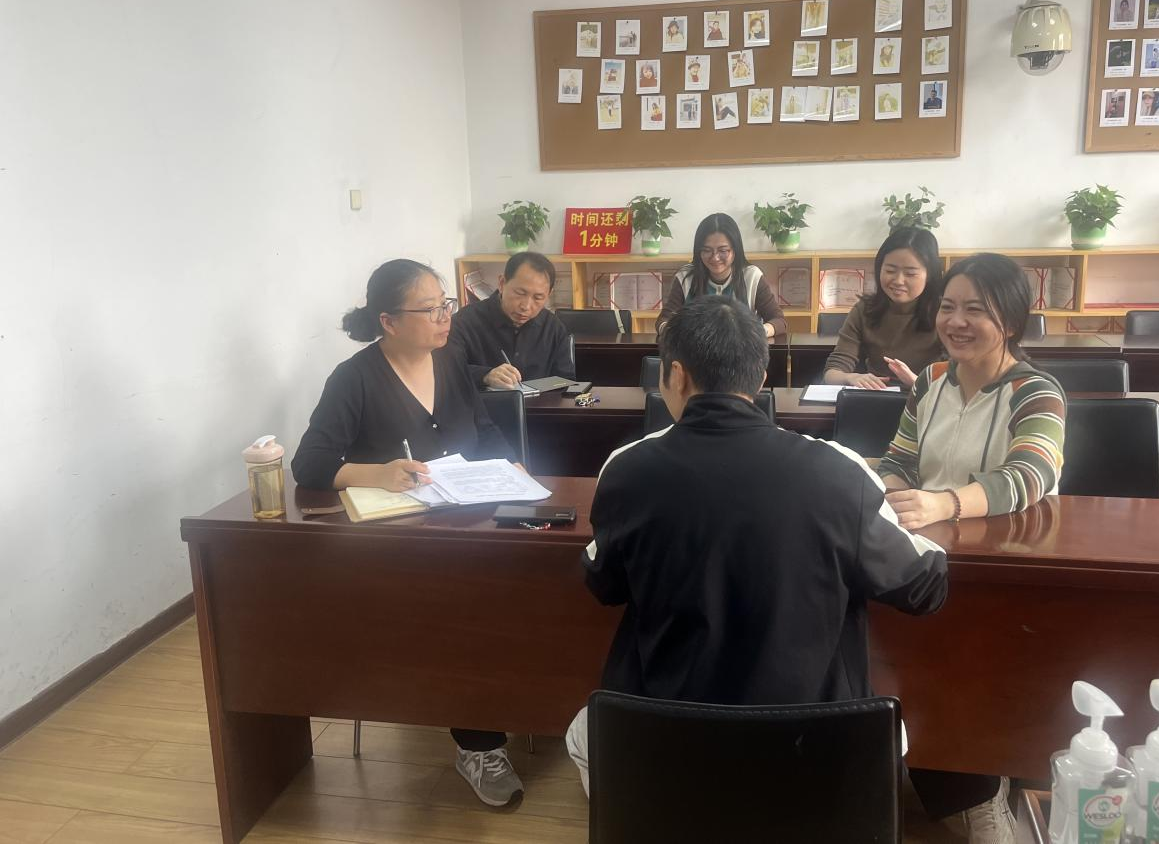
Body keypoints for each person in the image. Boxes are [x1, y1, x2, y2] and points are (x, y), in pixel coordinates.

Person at [566, 294, 948, 797]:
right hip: (811, 742)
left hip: (667, 734)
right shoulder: (839, 471)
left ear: (675, 375)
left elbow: (604, 584)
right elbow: (923, 588)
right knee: (885, 732)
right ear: (761, 378)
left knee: (581, 736)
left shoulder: (627, 468)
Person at [291, 259, 526, 808]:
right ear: (389, 321)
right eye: (431, 309)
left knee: (539, 591)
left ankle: (548, 711)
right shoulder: (354, 378)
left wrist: (512, 468)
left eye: (447, 305)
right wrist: (376, 473)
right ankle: (480, 745)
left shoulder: (451, 359)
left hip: (473, 528)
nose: (446, 318)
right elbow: (309, 464)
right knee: (468, 614)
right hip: (402, 547)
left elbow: (486, 432)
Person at [877, 252, 1066, 843]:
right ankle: (936, 774)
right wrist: (890, 489)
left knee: (969, 667)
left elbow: (1031, 474)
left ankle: (978, 794)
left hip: (1006, 568)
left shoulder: (1036, 391)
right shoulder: (931, 381)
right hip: (927, 557)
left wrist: (944, 503)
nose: (956, 322)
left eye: (975, 310)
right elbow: (899, 459)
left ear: (1009, 320)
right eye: (948, 307)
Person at [824, 228, 944, 389]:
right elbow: (832, 372)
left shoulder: (945, 313)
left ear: (929, 275)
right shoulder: (865, 309)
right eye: (890, 270)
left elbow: (958, 378)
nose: (898, 281)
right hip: (877, 396)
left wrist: (917, 383)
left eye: (910, 274)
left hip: (928, 399)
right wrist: (850, 377)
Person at [447, 252, 575, 390]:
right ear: (502, 283)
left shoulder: (552, 327)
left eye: (538, 298)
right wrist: (485, 376)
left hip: (539, 404)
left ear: (548, 295)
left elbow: (565, 381)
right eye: (520, 293)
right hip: (483, 403)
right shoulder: (465, 322)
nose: (526, 306)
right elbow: (445, 371)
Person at [656, 214, 786, 337]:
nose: (715, 258)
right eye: (707, 250)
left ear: (735, 250)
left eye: (723, 250)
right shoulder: (685, 277)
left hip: (741, 350)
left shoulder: (751, 276)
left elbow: (779, 321)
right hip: (696, 350)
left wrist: (755, 333)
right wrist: (674, 332)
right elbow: (663, 321)